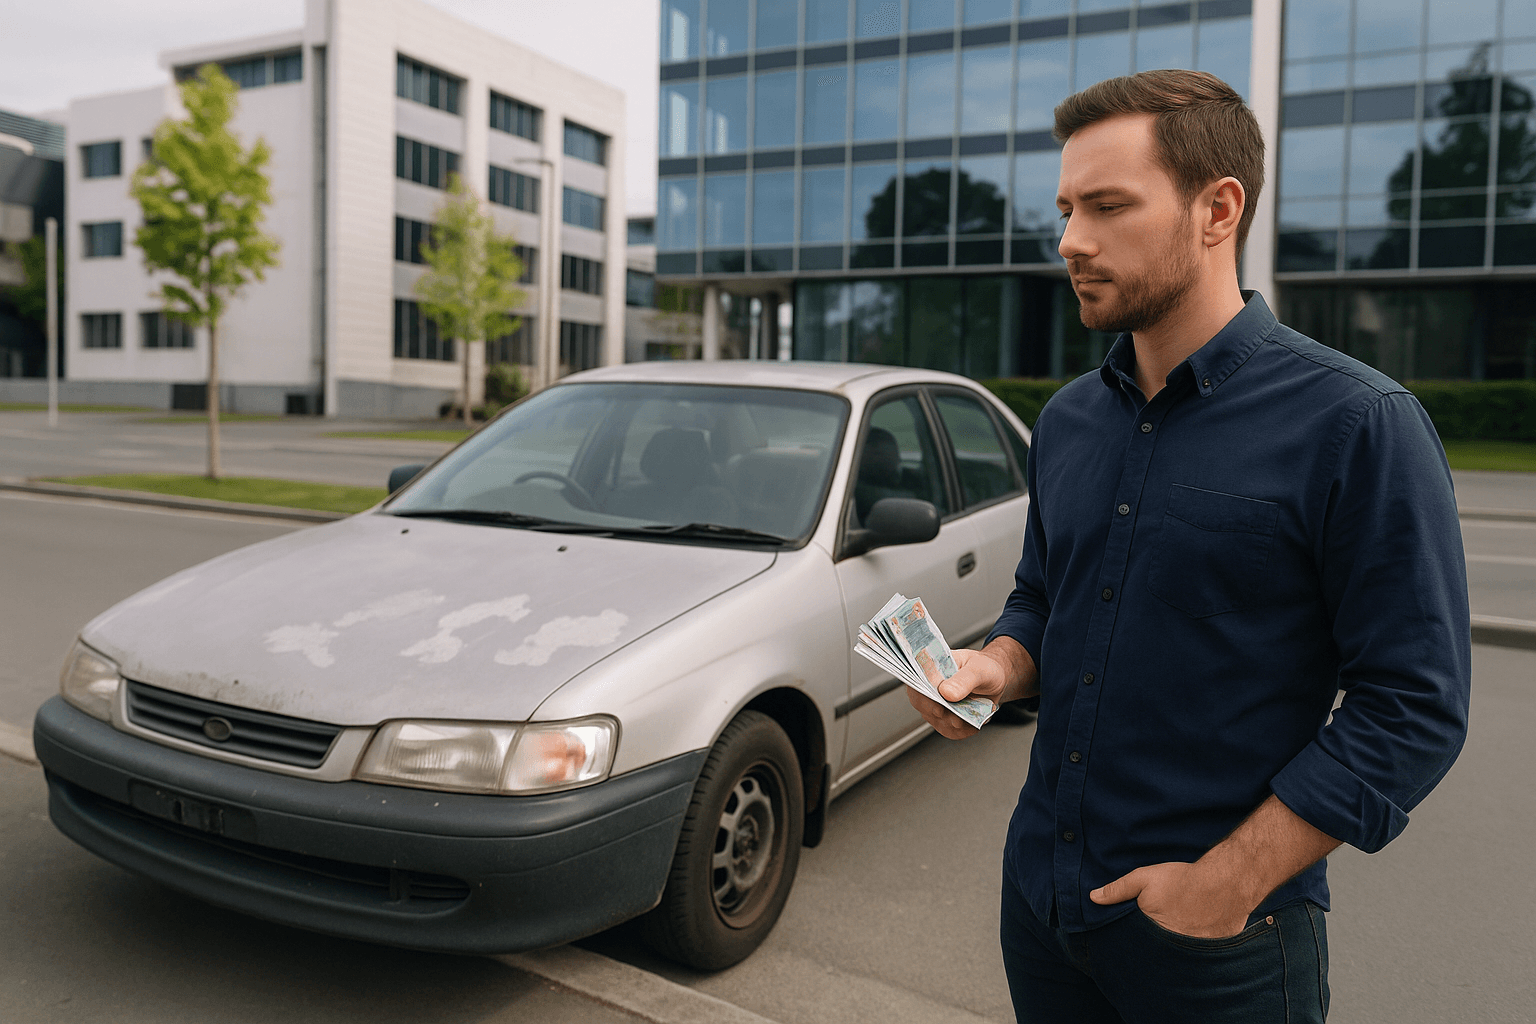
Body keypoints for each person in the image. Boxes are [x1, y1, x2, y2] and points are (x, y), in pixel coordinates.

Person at [907, 70, 1471, 1023]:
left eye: (1108, 206)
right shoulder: (1069, 421)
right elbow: (1044, 597)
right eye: (1066, 209)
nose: (1070, 240)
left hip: (1220, 944)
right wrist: (993, 668)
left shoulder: (1359, 424)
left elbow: (1413, 705)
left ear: (1218, 210)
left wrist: (1223, 886)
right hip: (1042, 903)